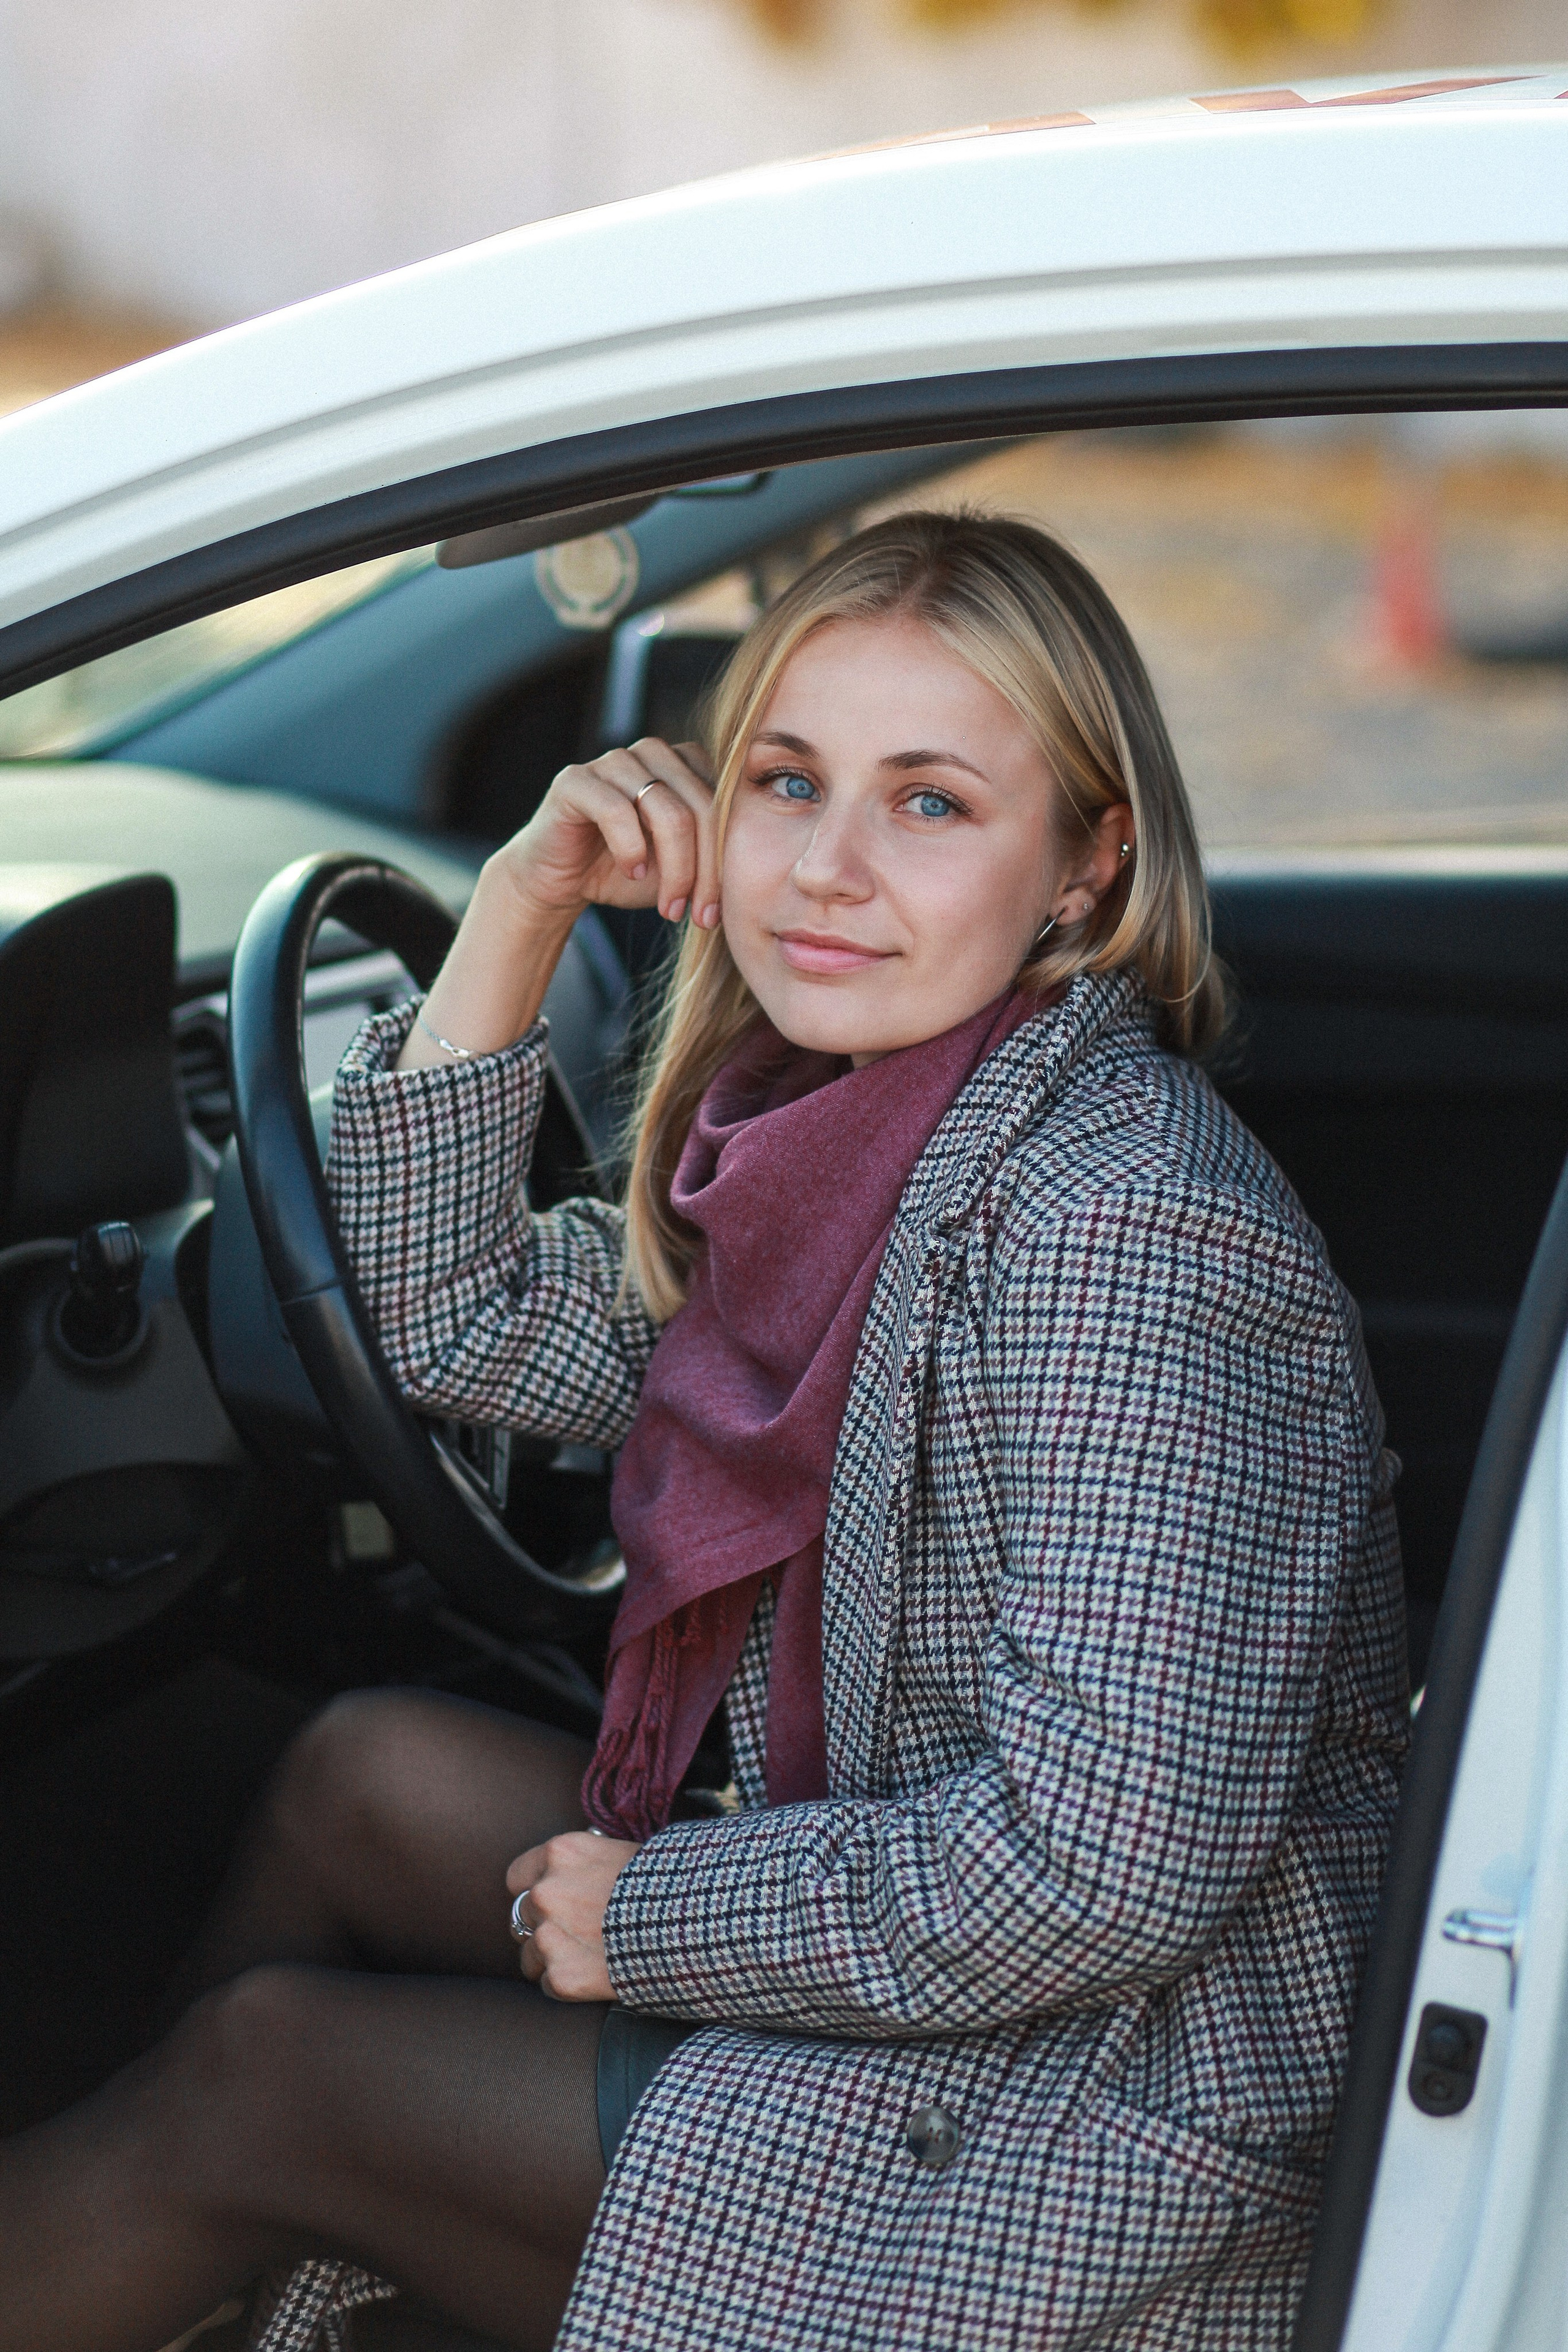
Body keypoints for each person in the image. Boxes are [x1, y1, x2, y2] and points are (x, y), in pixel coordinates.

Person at [0, 511, 1408, 2352]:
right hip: (992, 1957)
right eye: (786, 782)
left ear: (1084, 866)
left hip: (1130, 2113)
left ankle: (193, 2216)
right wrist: (519, 903)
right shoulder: (848, 1145)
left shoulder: (1121, 1232)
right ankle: (199, 2279)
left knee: (268, 2078)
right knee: (362, 1775)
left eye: (929, 805)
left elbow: (1101, 1867)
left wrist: (661, 1916)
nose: (825, 870)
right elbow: (454, 1319)